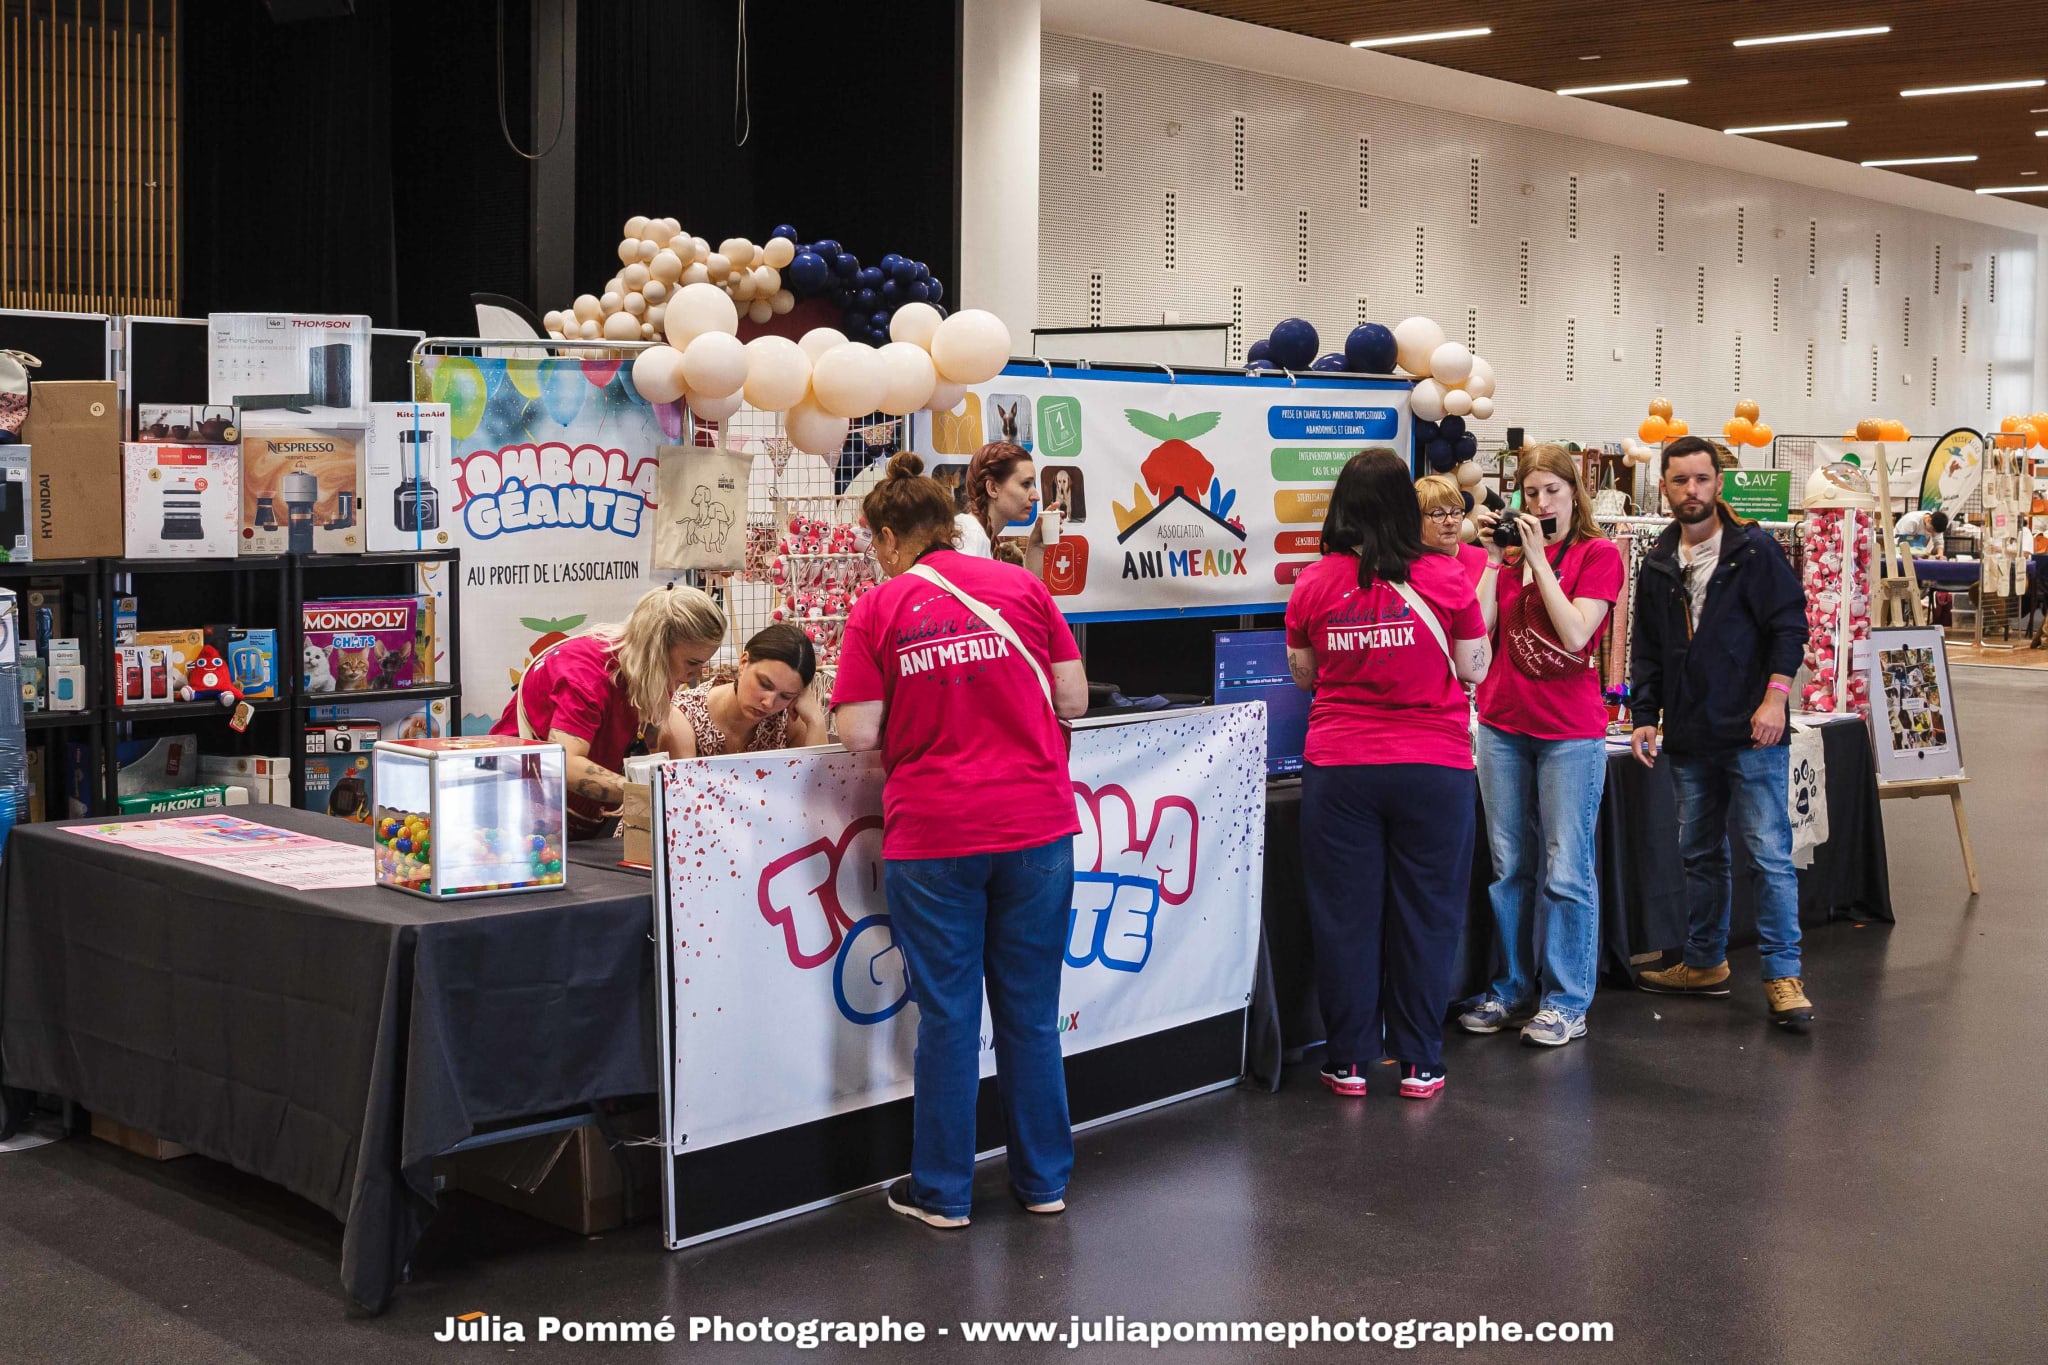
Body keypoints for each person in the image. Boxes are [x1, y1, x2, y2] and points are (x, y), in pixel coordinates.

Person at [833, 451, 1088, 1228]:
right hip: (1037, 825)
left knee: (949, 1016)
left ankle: (943, 1192)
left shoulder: (878, 609)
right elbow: (1073, 697)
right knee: (1032, 1014)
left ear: (886, 537)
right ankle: (1044, 1180)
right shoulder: (1023, 586)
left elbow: (856, 732)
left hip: (936, 832)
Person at [1288, 451, 1492, 1100]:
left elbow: (1305, 672)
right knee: (1428, 914)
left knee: (1345, 917)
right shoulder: (1449, 578)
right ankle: (1420, 1062)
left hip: (1340, 768)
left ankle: (1347, 1060)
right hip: (1434, 766)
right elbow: (1476, 666)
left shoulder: (1314, 581)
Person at [1630, 435, 1814, 1027]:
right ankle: (1705, 961)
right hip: (1689, 736)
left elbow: (1790, 628)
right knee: (1699, 854)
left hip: (1752, 731)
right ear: (1664, 487)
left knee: (1769, 856)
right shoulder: (1658, 562)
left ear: (1718, 483)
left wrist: (1776, 699)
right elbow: (1648, 651)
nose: (1692, 491)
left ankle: (1784, 976)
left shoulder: (1755, 552)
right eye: (1680, 481)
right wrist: (1643, 717)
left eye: (1701, 479)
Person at [1458, 444, 1625, 1048]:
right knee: (1509, 867)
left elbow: (1577, 632)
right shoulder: (1507, 560)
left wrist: (1539, 562)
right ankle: (1510, 987)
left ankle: (1567, 1000)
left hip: (1569, 734)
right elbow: (1477, 641)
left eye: (1552, 490)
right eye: (1530, 493)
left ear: (1573, 493)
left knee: (1566, 869)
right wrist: (1488, 563)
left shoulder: (1598, 554)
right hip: (1503, 723)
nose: (1540, 502)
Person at [491, 584, 726, 839]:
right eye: (692, 663)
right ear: (657, 647)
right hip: (520, 814)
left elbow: (650, 734)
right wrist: (651, 792)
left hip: (580, 818)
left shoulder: (652, 669)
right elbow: (564, 764)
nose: (696, 674)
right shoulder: (585, 675)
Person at [663, 623, 825, 757]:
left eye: (785, 695)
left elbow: (817, 788)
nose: (768, 703)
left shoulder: (787, 717)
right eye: (764, 684)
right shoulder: (684, 715)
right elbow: (681, 793)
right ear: (743, 663)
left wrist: (816, 720)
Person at [954, 440, 1046, 573]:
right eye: (1026, 484)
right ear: (992, 488)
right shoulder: (969, 537)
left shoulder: (981, 536)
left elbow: (1022, 594)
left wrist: (1036, 547)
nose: (1036, 496)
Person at [1415, 472, 1492, 586]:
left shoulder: (1485, 559)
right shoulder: (1408, 565)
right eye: (1438, 514)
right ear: (1418, 519)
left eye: (1456, 512)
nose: (1450, 521)